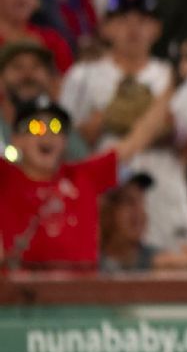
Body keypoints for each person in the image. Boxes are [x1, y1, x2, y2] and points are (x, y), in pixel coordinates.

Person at [59, 0, 187, 256]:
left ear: (156, 28)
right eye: (122, 20)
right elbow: (59, 151)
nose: (133, 28)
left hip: (165, 204)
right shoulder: (83, 77)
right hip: (105, 207)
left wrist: (178, 135)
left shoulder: (175, 77)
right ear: (106, 28)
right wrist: (98, 125)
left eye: (143, 20)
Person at [0, 92, 172, 269]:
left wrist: (172, 86)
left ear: (65, 141)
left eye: (56, 127)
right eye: (36, 127)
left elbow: (136, 141)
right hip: (21, 293)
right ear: (16, 139)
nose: (48, 135)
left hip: (81, 293)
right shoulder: (5, 177)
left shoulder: (83, 176)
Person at [0, 42, 88, 159]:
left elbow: (81, 163)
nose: (28, 75)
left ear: (50, 79)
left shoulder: (59, 124)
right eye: (17, 67)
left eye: (36, 66)